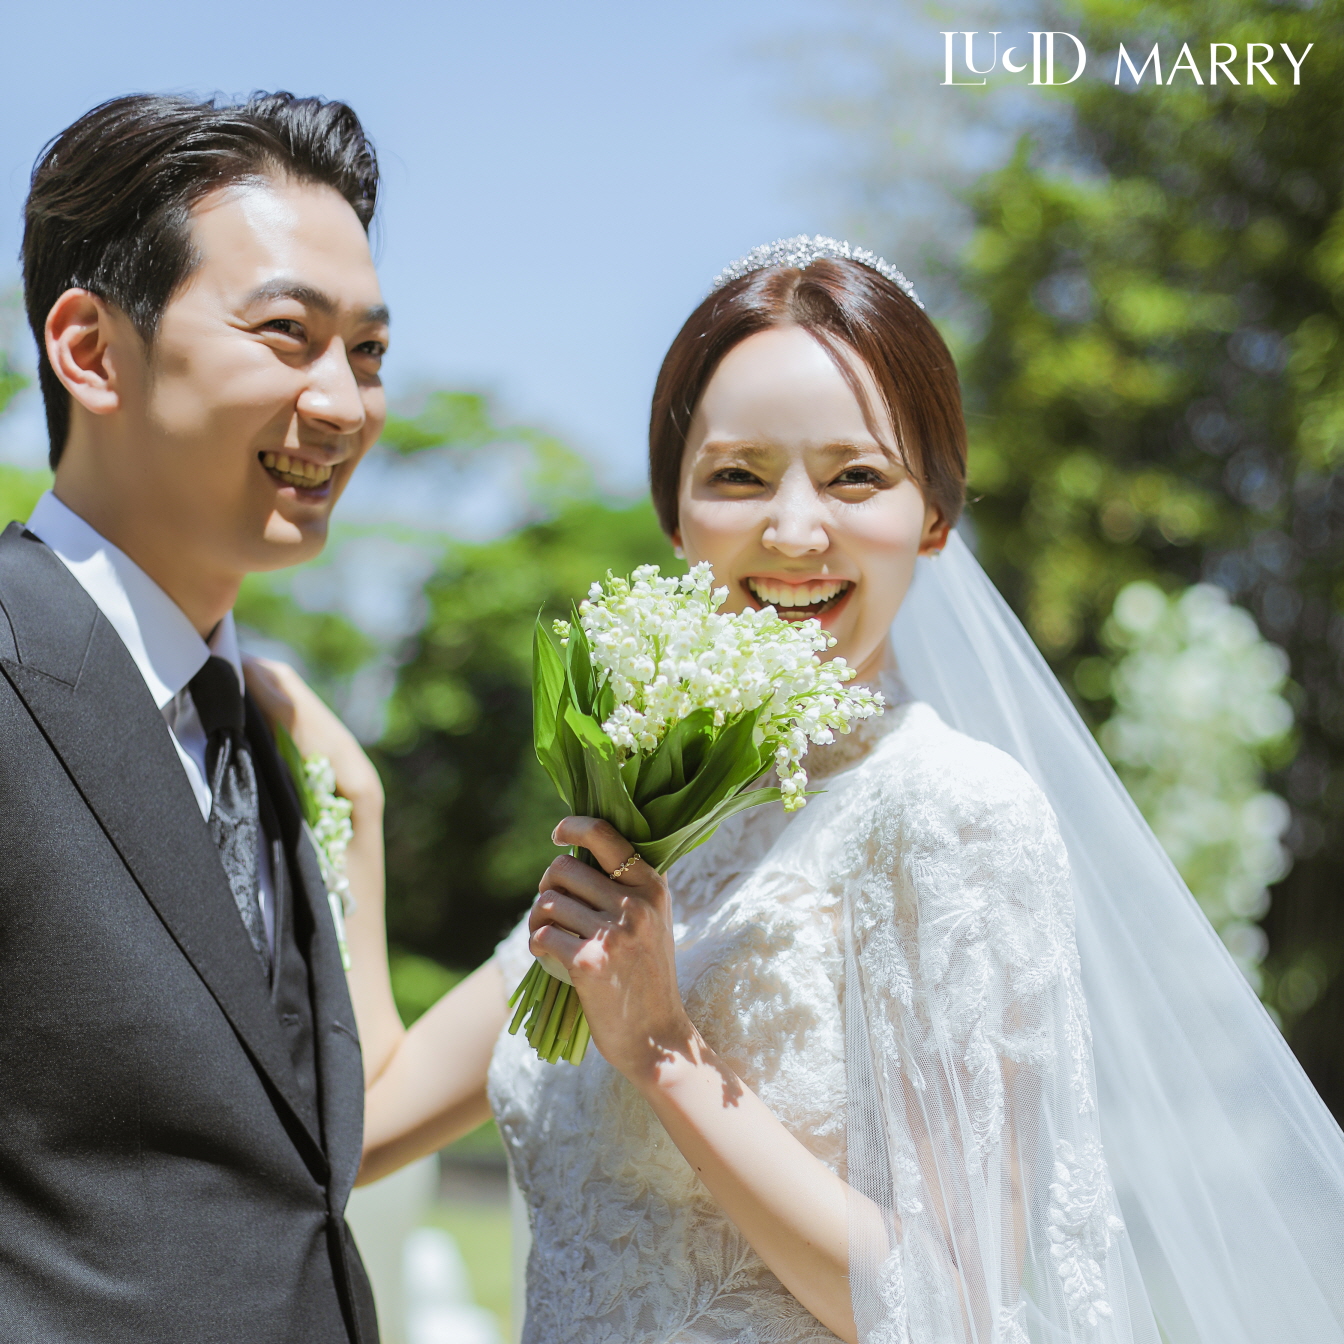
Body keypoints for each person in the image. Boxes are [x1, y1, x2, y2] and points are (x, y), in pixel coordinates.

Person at [270, 238, 1344, 1343]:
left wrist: (664, 1052)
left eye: (855, 477)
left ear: (935, 515)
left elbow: (953, 1307)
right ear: (675, 514)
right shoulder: (655, 816)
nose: (792, 531)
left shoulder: (955, 811)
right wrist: (358, 809)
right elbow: (365, 1125)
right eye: (738, 476)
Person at [0, 93, 390, 1342]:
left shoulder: (257, 735)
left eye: (368, 353)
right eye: (288, 334)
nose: (345, 405)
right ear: (89, 349)